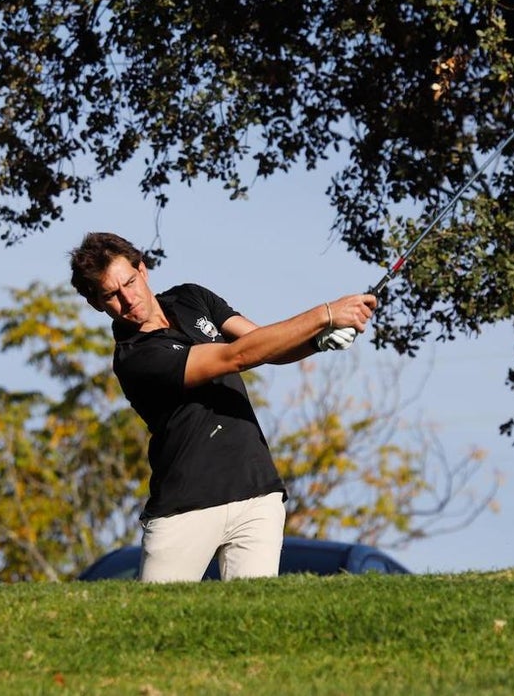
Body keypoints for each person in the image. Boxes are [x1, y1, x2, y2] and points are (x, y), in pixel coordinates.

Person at [69, 232, 377, 582]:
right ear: (96, 303)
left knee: (254, 617)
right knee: (158, 622)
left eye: (129, 282)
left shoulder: (190, 297)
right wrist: (324, 314)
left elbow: (262, 344)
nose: (128, 298)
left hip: (256, 489)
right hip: (185, 504)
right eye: (111, 294)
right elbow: (237, 356)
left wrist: (317, 341)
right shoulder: (136, 357)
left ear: (143, 270)